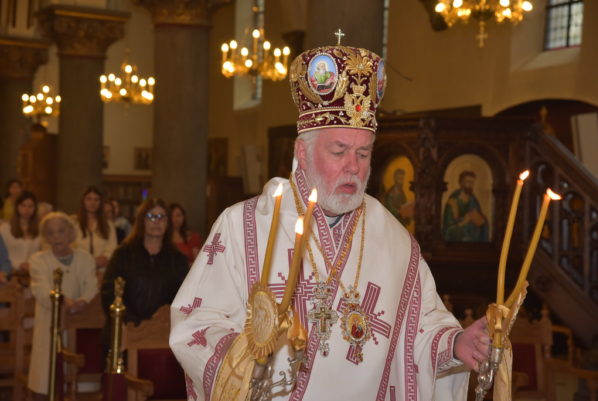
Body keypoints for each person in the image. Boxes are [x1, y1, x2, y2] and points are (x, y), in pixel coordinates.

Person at [170, 44, 490, 401]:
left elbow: (420, 326)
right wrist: (246, 363)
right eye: (339, 151)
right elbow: (196, 324)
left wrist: (455, 344)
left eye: (363, 153)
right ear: (302, 152)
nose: (353, 166)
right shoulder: (243, 226)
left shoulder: (394, 239)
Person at [28, 212, 98, 400]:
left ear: (70, 233)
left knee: (78, 380)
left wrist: (83, 301)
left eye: (61, 231)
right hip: (50, 324)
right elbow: (41, 289)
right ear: (45, 237)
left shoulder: (85, 258)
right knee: (46, 380)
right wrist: (64, 301)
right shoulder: (38, 260)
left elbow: (91, 286)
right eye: (50, 233)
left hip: (81, 322)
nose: (56, 237)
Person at [101, 198, 188, 327]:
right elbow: (109, 292)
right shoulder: (123, 253)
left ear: (168, 223)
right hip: (125, 326)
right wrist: (128, 322)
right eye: (151, 216)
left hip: (164, 329)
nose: (157, 221)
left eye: (161, 217)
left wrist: (164, 321)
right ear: (142, 221)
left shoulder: (177, 259)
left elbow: (184, 297)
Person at [73, 186, 117, 270]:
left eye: (96, 199)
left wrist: (104, 258)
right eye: (89, 199)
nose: (92, 202)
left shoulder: (108, 225)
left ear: (100, 202)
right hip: (78, 267)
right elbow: (71, 246)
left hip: (102, 269)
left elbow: (112, 248)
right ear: (83, 201)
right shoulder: (74, 223)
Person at [442, 171, 489, 242]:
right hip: (455, 244)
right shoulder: (452, 202)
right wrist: (465, 221)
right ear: (461, 183)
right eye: (468, 182)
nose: (470, 185)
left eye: (472, 183)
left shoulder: (473, 201)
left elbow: (481, 222)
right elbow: (448, 231)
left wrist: (482, 221)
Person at [0, 191, 41, 273]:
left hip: (33, 271)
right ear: (17, 207)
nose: (27, 209)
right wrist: (19, 265)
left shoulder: (40, 229)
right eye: (23, 205)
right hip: (10, 272)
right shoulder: (5, 229)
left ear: (35, 208)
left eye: (31, 206)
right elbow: (2, 256)